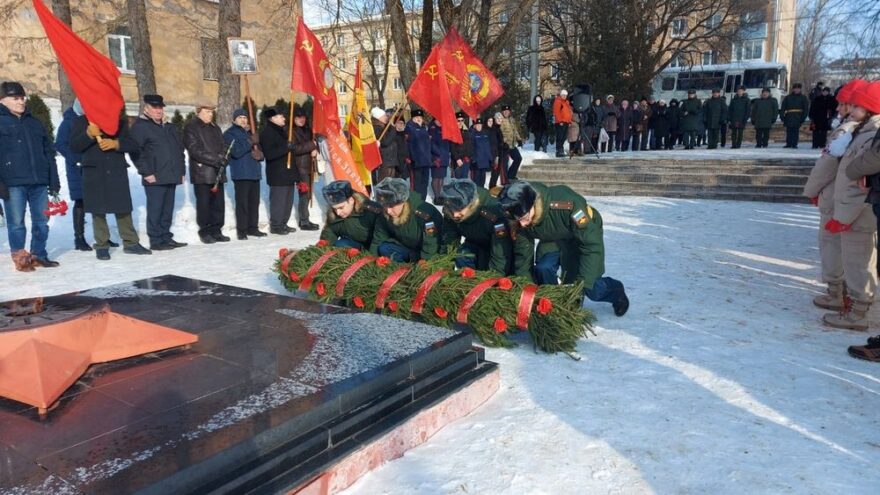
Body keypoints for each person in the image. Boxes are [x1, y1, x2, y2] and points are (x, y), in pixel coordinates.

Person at [499, 180, 629, 316]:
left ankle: (615, 291)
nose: (523, 225)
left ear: (533, 205)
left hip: (582, 235)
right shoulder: (520, 221)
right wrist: (528, 292)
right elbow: (523, 258)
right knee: (544, 268)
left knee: (591, 287)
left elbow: (591, 245)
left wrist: (580, 286)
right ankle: (556, 302)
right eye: (518, 220)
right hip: (552, 237)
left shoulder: (568, 206)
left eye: (525, 218)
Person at [821, 80, 880, 330]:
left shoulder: (868, 135)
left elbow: (858, 170)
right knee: (854, 259)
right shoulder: (863, 131)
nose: (848, 110)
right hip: (852, 206)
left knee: (858, 262)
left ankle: (857, 313)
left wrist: (843, 213)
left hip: (858, 209)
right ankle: (855, 306)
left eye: (855, 106)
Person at [802, 79, 864, 314]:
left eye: (842, 104)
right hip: (844, 197)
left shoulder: (847, 131)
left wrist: (812, 190)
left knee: (832, 246)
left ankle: (838, 293)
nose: (838, 109)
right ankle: (841, 293)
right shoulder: (857, 129)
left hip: (837, 196)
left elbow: (826, 165)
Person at [69, 106, 152, 260]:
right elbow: (74, 146)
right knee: (98, 209)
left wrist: (116, 144)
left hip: (115, 168)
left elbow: (132, 144)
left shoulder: (119, 121)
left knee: (123, 207)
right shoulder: (82, 121)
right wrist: (88, 134)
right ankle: (101, 245)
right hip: (94, 170)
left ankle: (131, 242)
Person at [0, 81, 60, 270]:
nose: (20, 102)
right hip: (13, 182)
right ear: (3, 100)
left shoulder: (35, 123)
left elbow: (48, 152)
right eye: (15, 98)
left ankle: (38, 254)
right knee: (16, 223)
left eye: (22, 98)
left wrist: (53, 180)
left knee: (41, 222)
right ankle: (21, 258)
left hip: (39, 182)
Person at [129, 94, 187, 251]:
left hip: (171, 173)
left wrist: (181, 170)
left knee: (167, 209)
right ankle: (155, 240)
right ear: (146, 108)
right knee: (156, 209)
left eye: (160, 107)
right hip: (154, 175)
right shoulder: (140, 127)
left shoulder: (169, 126)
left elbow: (179, 150)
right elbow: (136, 152)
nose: (158, 110)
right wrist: (146, 172)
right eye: (155, 107)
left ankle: (165, 236)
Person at [440, 178, 519, 275]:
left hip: (499, 252)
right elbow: (449, 241)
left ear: (471, 205)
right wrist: (444, 269)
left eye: (460, 210)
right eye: (452, 209)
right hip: (474, 247)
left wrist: (493, 279)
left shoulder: (494, 214)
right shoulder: (451, 212)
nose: (455, 214)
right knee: (462, 254)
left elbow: (501, 252)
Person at [183, 103, 229, 243]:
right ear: (199, 112)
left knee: (218, 204)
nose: (211, 114)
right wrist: (216, 159)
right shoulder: (191, 127)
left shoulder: (215, 128)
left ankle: (217, 230)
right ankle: (205, 231)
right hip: (202, 172)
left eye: (212, 111)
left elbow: (224, 145)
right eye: (207, 111)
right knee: (204, 204)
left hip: (218, 171)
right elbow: (194, 150)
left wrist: (225, 156)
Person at [370, 177, 443, 262]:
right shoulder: (385, 213)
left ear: (403, 201)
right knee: (384, 248)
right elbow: (378, 237)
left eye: (391, 206)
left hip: (427, 252)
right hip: (407, 249)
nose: (388, 211)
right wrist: (372, 259)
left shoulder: (426, 215)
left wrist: (424, 261)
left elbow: (431, 241)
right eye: (385, 206)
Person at [55, 100, 92, 251]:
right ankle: (79, 238)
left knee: (97, 200)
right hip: (76, 168)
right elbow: (60, 144)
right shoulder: (68, 122)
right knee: (80, 201)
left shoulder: (91, 119)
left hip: (92, 166)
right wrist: (76, 159)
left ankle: (103, 236)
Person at [224, 108, 265, 240]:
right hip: (241, 173)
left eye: (245, 117)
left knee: (254, 202)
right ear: (234, 120)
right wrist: (250, 142)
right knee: (242, 203)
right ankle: (242, 230)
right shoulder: (230, 133)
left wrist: (260, 154)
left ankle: (253, 227)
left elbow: (258, 149)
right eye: (240, 117)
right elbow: (235, 151)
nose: (243, 120)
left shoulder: (251, 132)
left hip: (254, 172)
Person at [260, 106, 298, 235]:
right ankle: (276, 225)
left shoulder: (282, 131)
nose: (284, 118)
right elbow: (269, 154)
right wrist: (286, 148)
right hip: (277, 173)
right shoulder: (267, 133)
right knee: (278, 201)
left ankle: (283, 223)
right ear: (273, 118)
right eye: (281, 116)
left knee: (287, 201)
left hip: (287, 173)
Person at [319, 180, 382, 249]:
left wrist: (371, 257)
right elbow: (327, 236)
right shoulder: (333, 215)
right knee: (340, 245)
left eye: (341, 207)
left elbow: (381, 238)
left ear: (351, 200)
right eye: (335, 209)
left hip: (375, 247)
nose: (338, 213)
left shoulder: (371, 211)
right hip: (354, 247)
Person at [290, 107, 319, 230]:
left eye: (303, 117)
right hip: (300, 167)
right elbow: (296, 149)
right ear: (293, 119)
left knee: (307, 195)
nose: (301, 120)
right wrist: (312, 145)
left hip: (309, 166)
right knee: (304, 194)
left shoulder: (308, 130)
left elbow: (312, 144)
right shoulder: (291, 131)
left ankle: (306, 218)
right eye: (298, 117)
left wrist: (314, 149)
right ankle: (304, 221)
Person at [405, 109, 431, 196]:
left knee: (424, 183)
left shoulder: (423, 128)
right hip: (416, 161)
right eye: (416, 117)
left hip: (426, 161)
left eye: (420, 117)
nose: (419, 119)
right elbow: (409, 145)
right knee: (416, 185)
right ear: (412, 118)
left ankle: (423, 202)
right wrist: (413, 159)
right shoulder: (409, 128)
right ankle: (415, 203)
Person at [371, 107, 398, 183]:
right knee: (384, 183)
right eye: (384, 116)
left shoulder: (384, 126)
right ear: (379, 118)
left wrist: (390, 126)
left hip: (390, 159)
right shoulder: (377, 128)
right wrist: (392, 128)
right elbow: (385, 142)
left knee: (390, 183)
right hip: (384, 160)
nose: (386, 117)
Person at [428, 117, 451, 202]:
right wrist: (439, 153)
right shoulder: (432, 129)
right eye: (438, 120)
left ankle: (439, 195)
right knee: (436, 178)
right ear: (434, 120)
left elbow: (447, 143)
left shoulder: (444, 129)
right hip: (436, 158)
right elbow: (431, 144)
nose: (440, 122)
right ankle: (436, 197)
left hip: (444, 157)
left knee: (441, 178)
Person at [780, 83, 810, 148]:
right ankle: (788, 143)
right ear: (793, 89)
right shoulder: (788, 97)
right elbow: (783, 107)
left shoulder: (803, 98)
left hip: (798, 116)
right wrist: (782, 116)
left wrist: (803, 117)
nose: (796, 90)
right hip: (789, 116)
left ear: (800, 89)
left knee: (795, 131)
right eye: (795, 88)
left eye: (798, 88)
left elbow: (805, 109)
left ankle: (794, 144)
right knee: (789, 130)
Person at [499, 105, 523, 179]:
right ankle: (505, 179)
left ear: (510, 112)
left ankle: (511, 176)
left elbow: (515, 130)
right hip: (505, 145)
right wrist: (502, 142)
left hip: (512, 145)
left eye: (508, 111)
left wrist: (519, 139)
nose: (506, 112)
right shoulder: (500, 120)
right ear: (502, 112)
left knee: (518, 158)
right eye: (505, 111)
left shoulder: (511, 119)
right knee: (505, 163)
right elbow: (499, 132)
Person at [470, 118, 493, 187]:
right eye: (477, 125)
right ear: (475, 125)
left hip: (485, 161)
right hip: (477, 162)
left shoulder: (485, 134)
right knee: (476, 182)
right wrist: (473, 160)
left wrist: (490, 158)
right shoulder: (472, 134)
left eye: (480, 125)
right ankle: (476, 196)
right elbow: (471, 148)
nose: (479, 126)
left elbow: (488, 147)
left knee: (483, 180)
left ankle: (482, 195)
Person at [450, 111, 473, 180]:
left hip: (466, 160)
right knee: (458, 181)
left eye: (462, 120)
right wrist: (457, 159)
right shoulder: (453, 132)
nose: (460, 122)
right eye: (458, 120)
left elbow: (469, 145)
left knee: (465, 180)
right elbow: (452, 147)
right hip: (458, 161)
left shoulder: (466, 131)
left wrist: (468, 156)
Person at [552, 90, 572, 157]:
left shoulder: (566, 102)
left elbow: (568, 112)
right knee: (560, 137)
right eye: (563, 95)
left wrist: (569, 121)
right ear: (561, 95)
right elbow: (556, 112)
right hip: (560, 122)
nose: (564, 96)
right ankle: (559, 150)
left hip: (566, 122)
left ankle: (561, 149)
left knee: (564, 137)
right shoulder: (558, 101)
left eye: (566, 95)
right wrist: (560, 121)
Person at [486, 115, 503, 188]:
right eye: (489, 121)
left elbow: (497, 142)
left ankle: (492, 187)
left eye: (492, 121)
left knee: (496, 171)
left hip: (495, 153)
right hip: (487, 155)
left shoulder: (494, 130)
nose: (491, 122)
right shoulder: (484, 130)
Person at [393, 116, 410, 180]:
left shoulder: (406, 135)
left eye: (402, 123)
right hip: (396, 164)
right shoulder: (393, 134)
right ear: (395, 124)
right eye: (399, 122)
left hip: (405, 163)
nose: (401, 124)